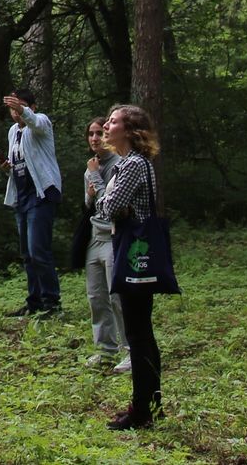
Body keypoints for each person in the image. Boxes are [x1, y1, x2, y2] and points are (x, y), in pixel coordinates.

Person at [98, 102, 163, 429]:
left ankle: (142, 410)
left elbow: (109, 207)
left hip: (135, 252)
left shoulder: (133, 164)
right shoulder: (130, 163)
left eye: (113, 122)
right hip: (134, 249)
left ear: (130, 130)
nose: (106, 126)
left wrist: (104, 195)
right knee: (140, 330)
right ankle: (149, 404)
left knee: (137, 332)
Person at [0, 90, 62, 318]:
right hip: (22, 196)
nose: (16, 111)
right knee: (27, 253)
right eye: (13, 107)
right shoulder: (12, 132)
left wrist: (23, 109)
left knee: (38, 250)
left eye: (22, 105)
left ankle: (52, 302)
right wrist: (8, 169)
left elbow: (35, 122)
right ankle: (34, 302)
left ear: (32, 107)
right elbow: (22, 164)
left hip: (42, 193)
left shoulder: (41, 121)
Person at [76, 115, 127, 370]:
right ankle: (106, 349)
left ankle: (129, 349)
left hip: (113, 236)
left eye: (99, 133)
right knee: (96, 296)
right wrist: (89, 193)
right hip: (94, 237)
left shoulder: (119, 164)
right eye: (91, 134)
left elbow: (111, 204)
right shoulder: (90, 167)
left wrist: (96, 178)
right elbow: (91, 205)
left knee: (117, 296)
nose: (95, 138)